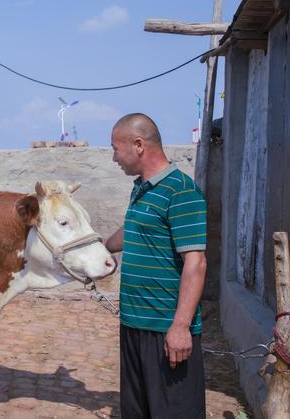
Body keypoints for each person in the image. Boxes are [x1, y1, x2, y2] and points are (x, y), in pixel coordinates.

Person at [105, 113, 207, 418]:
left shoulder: (181, 191)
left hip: (166, 329)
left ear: (137, 145)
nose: (113, 157)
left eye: (115, 148)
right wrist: (98, 249)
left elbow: (196, 262)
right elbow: (135, 229)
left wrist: (180, 326)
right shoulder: (141, 188)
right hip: (134, 325)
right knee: (137, 411)